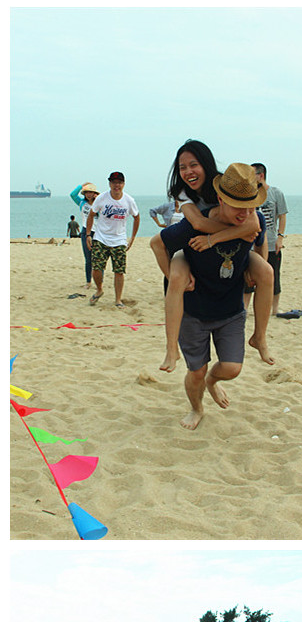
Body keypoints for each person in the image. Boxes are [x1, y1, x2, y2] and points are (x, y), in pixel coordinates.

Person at [150, 163, 274, 428]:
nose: (245, 214)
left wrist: (253, 270)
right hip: (194, 311)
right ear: (220, 199)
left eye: (250, 207)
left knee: (231, 368)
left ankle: (216, 378)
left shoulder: (254, 221)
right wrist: (175, 277)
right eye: (238, 206)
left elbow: (260, 243)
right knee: (196, 372)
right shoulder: (195, 225)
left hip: (229, 309)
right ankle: (197, 408)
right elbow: (157, 244)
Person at [86, 172, 140, 309]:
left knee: (119, 271)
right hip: (101, 238)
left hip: (119, 240)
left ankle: (118, 299)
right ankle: (99, 289)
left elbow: (136, 217)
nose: (117, 185)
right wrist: (88, 235)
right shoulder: (101, 198)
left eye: (119, 182)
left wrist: (132, 238)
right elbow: (91, 215)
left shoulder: (129, 200)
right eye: (114, 182)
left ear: (123, 184)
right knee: (96, 268)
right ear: (110, 184)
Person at [251, 164, 287, 315]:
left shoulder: (276, 193)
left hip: (272, 242)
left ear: (261, 175)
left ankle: (274, 309)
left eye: (251, 174)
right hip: (252, 244)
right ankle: (245, 308)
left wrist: (280, 237)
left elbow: (282, 215)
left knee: (274, 276)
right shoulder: (249, 194)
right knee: (248, 277)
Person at [69, 182, 99, 290]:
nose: (89, 194)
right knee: (88, 259)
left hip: (98, 232)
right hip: (86, 231)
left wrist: (99, 198)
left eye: (91, 192)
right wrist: (82, 185)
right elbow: (72, 195)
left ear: (95, 193)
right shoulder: (82, 203)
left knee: (98, 259)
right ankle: (88, 281)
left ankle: (99, 282)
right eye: (87, 192)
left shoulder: (100, 204)